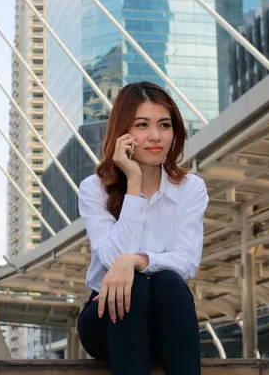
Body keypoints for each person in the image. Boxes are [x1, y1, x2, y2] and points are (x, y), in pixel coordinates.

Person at [76, 81, 209, 375]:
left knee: (169, 282)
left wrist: (136, 260)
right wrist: (133, 185)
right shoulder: (93, 189)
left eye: (164, 125)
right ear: (123, 131)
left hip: (165, 323)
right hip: (106, 319)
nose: (155, 136)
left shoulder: (191, 188)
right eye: (142, 125)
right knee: (134, 285)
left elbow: (186, 261)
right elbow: (112, 258)